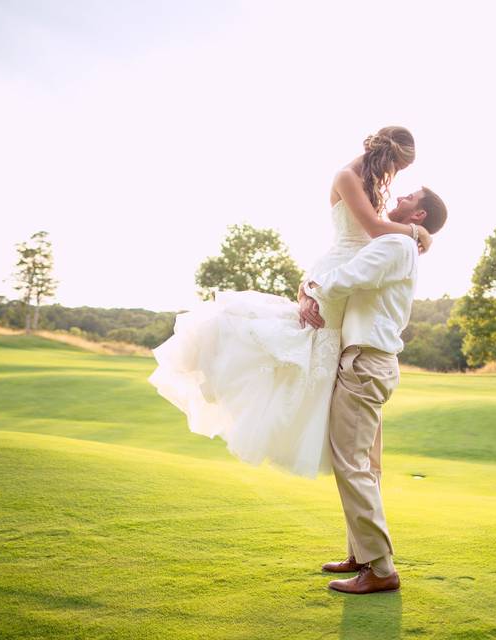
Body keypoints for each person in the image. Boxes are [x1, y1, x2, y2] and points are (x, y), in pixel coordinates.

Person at [147, 126, 432, 479]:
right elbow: (373, 228)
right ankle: (286, 420)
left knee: (326, 353)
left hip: (348, 277)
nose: (395, 177)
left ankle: (352, 441)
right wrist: (418, 233)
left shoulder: (372, 184)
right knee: (309, 342)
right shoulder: (346, 176)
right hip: (337, 272)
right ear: (388, 157)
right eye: (397, 168)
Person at [301, 187, 448, 594]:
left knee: (352, 463)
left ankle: (380, 569)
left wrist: (308, 289)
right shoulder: (404, 242)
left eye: (409, 196)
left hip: (366, 363)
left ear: (417, 215)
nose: (399, 196)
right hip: (372, 361)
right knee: (366, 464)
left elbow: (349, 277)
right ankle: (360, 552)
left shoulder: (397, 243)